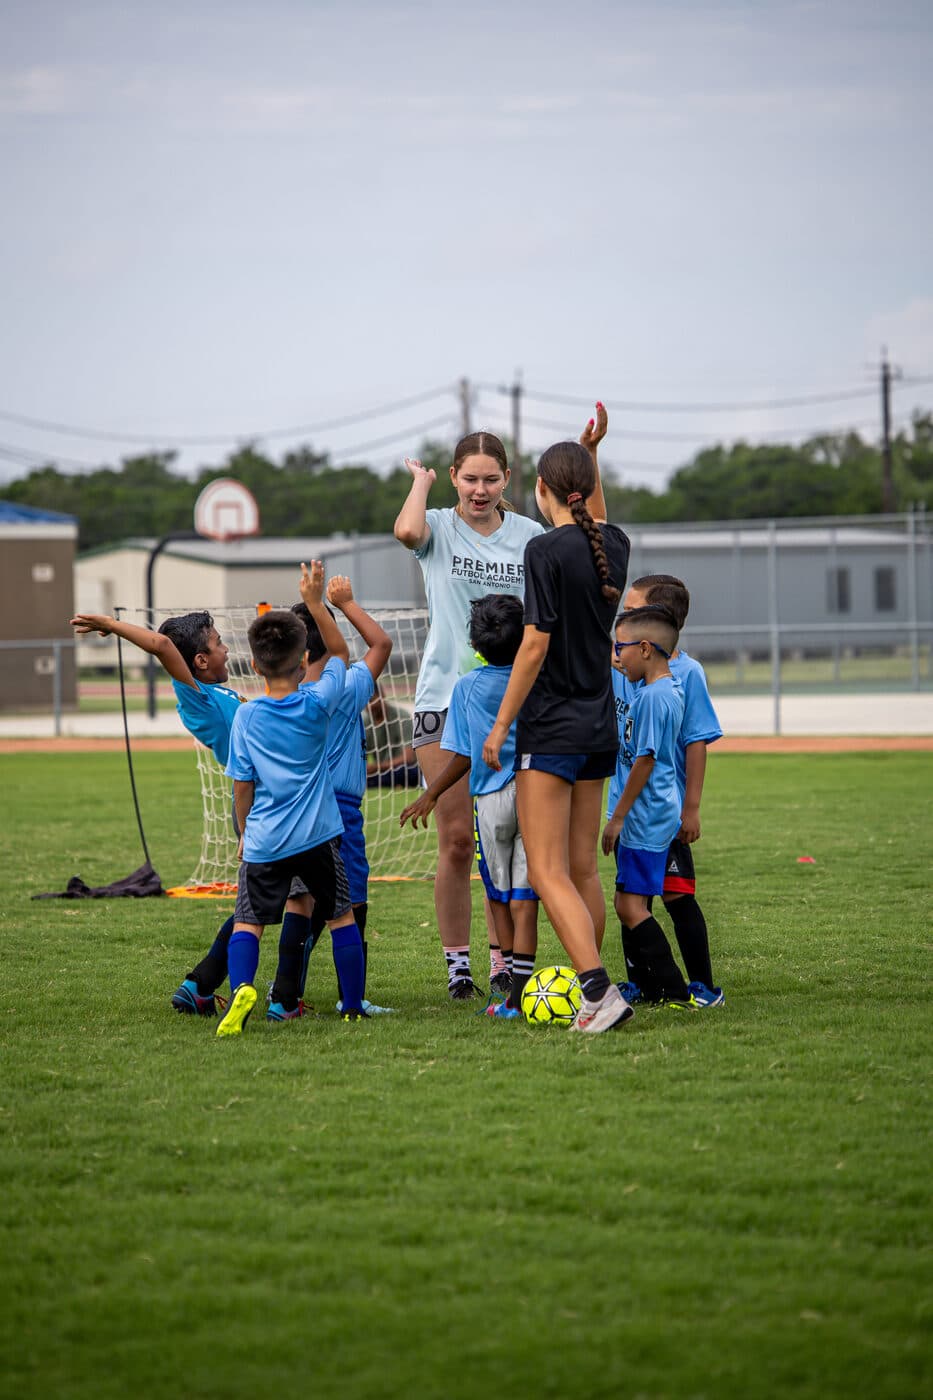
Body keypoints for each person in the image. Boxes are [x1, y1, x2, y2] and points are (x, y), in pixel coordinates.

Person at [393, 411, 607, 1000]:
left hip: (522, 704)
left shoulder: (530, 537)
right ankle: (458, 964)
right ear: (456, 479)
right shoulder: (437, 525)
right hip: (446, 699)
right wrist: (421, 481)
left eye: (491, 480)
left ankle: (504, 963)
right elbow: (407, 533)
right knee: (460, 839)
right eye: (469, 480)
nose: (480, 491)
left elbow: (593, 540)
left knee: (511, 846)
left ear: (509, 479)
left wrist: (591, 458)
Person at [482, 439, 633, 1034]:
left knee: (545, 871)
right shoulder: (613, 544)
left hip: (551, 727)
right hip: (599, 726)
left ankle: (597, 991)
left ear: (541, 491)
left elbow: (535, 643)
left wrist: (500, 726)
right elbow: (597, 519)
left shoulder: (542, 549)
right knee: (582, 870)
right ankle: (588, 986)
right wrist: (591, 452)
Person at [67, 604, 274, 1015]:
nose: (226, 649)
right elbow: (162, 644)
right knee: (282, 903)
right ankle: (271, 994)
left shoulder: (222, 693)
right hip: (257, 808)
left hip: (273, 803)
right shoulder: (198, 699)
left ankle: (207, 986)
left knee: (276, 902)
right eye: (217, 644)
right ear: (199, 661)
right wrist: (111, 624)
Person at [216, 562, 369, 1036]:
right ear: (304, 662)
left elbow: (243, 784)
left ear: (256, 665)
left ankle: (241, 989)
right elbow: (341, 650)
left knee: (249, 922)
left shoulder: (247, 717)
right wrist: (317, 601)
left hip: (265, 838)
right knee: (341, 917)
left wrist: (244, 832)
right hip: (319, 835)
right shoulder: (318, 703)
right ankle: (351, 1005)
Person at [398, 595, 539, 1021]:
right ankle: (519, 985)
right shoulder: (534, 678)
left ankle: (509, 997)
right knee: (526, 896)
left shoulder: (466, 687)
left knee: (498, 894)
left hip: (492, 802)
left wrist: (432, 793)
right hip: (535, 794)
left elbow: (462, 755)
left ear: (475, 645)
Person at [275, 577, 396, 1018]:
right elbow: (380, 644)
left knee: (299, 901)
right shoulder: (341, 687)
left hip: (293, 812)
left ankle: (284, 995)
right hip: (340, 812)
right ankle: (352, 997)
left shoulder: (281, 698)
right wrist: (345, 604)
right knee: (351, 902)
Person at [615, 575, 724, 1005]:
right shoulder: (626, 663)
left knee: (677, 898)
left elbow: (695, 742)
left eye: (631, 607)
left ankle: (701, 985)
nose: (622, 614)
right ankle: (642, 983)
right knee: (632, 898)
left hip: (664, 809)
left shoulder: (685, 675)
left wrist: (691, 808)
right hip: (632, 806)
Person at [600, 606, 701, 1008]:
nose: (616, 655)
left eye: (620, 648)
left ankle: (673, 989)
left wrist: (618, 817)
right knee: (631, 902)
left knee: (628, 905)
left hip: (643, 816)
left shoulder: (654, 699)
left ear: (644, 649)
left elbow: (644, 760)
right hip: (649, 812)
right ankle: (655, 988)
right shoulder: (659, 688)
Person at [364, 689, 419, 789]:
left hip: (405, 768)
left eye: (372, 700)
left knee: (406, 772)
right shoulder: (365, 723)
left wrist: (377, 767)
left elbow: (408, 758)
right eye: (365, 702)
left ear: (382, 696)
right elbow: (361, 758)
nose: (369, 706)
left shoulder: (402, 716)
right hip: (382, 772)